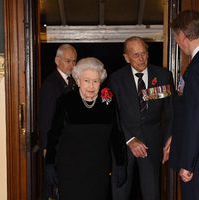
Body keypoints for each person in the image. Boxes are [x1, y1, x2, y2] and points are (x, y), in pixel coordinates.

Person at [45, 57, 127, 200]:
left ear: (100, 82)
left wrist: (121, 165)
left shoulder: (107, 101)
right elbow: (54, 136)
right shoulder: (66, 101)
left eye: (95, 81)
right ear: (78, 81)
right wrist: (50, 164)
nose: (91, 86)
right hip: (70, 170)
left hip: (98, 170)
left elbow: (116, 134)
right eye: (86, 80)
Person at [109, 36, 174, 200]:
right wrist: (129, 139)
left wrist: (169, 138)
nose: (141, 58)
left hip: (153, 142)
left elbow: (170, 112)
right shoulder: (115, 79)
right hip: (124, 144)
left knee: (152, 193)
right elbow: (113, 115)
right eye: (136, 55)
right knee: (120, 192)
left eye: (144, 53)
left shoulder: (163, 75)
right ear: (126, 57)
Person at [39, 44, 77, 199]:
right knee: (55, 189)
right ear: (57, 61)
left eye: (74, 61)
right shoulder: (50, 84)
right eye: (68, 61)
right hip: (56, 146)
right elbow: (46, 119)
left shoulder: (73, 82)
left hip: (69, 145)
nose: (72, 65)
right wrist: (47, 149)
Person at [169, 10, 199, 200]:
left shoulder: (196, 68)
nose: (177, 43)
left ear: (182, 35)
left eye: (176, 38)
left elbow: (194, 115)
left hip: (195, 161)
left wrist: (187, 163)